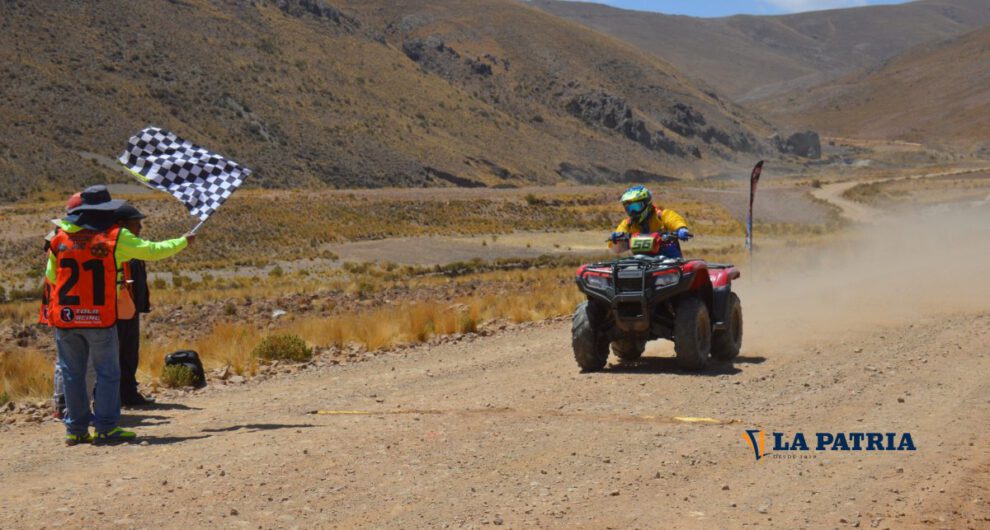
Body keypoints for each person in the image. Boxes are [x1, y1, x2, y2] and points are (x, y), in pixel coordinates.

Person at [46, 185, 195, 446]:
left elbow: (51, 277)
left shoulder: (59, 239)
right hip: (98, 317)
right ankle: (105, 428)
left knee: (73, 374)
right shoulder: (115, 238)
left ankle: (76, 429)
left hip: (66, 318)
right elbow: (152, 251)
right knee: (107, 373)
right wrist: (183, 242)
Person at [113, 204, 154, 407]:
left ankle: (128, 392)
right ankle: (115, 396)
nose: (140, 228)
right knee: (117, 353)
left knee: (129, 351)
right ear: (121, 225)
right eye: (135, 224)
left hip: (130, 307)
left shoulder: (132, 246)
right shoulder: (118, 245)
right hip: (117, 308)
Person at [608, 185, 692, 258]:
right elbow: (615, 246)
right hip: (642, 262)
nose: (632, 212)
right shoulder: (628, 223)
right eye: (629, 209)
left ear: (646, 203)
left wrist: (681, 229)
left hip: (669, 260)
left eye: (636, 207)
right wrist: (615, 239)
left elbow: (674, 220)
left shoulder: (661, 215)